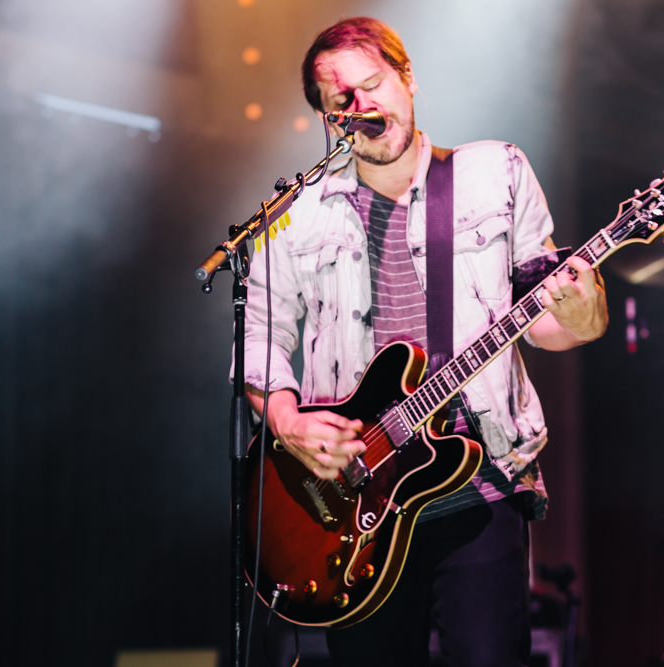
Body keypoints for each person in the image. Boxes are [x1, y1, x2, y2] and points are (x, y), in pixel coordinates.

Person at [238, 17, 608, 667]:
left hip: (479, 485)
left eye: (373, 85)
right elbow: (261, 336)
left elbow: (549, 318)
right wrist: (289, 422)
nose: (363, 107)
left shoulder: (494, 174)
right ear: (327, 121)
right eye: (341, 101)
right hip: (353, 505)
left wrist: (584, 310)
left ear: (408, 80)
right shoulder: (296, 216)